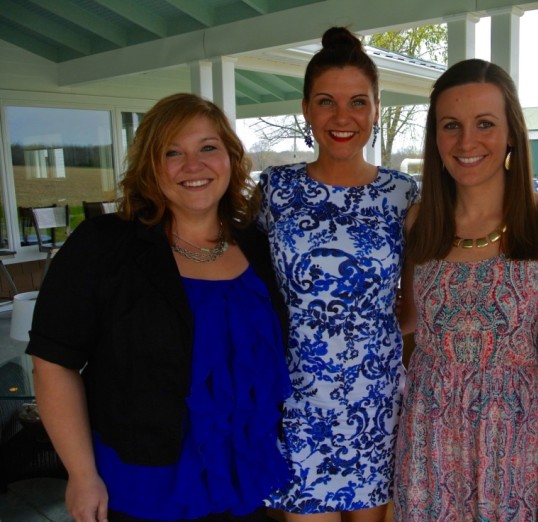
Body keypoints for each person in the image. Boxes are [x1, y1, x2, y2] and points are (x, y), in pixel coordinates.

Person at [27, 93, 291, 522]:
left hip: (241, 483)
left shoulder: (257, 246)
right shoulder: (104, 245)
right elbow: (53, 363)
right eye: (172, 152)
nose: (193, 165)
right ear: (150, 166)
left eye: (208, 147)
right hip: (142, 489)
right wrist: (81, 474)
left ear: (230, 157)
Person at [392, 59, 538, 521]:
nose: (466, 142)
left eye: (484, 124)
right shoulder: (419, 221)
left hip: (518, 438)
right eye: (451, 126)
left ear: (512, 132)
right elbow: (408, 320)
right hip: (429, 433)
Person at [256, 27, 418, 521]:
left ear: (376, 108)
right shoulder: (275, 190)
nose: (342, 118)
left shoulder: (403, 194)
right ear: (306, 108)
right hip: (298, 403)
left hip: (377, 401)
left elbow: (416, 304)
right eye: (326, 102)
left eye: (358, 102)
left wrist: (366, 339)